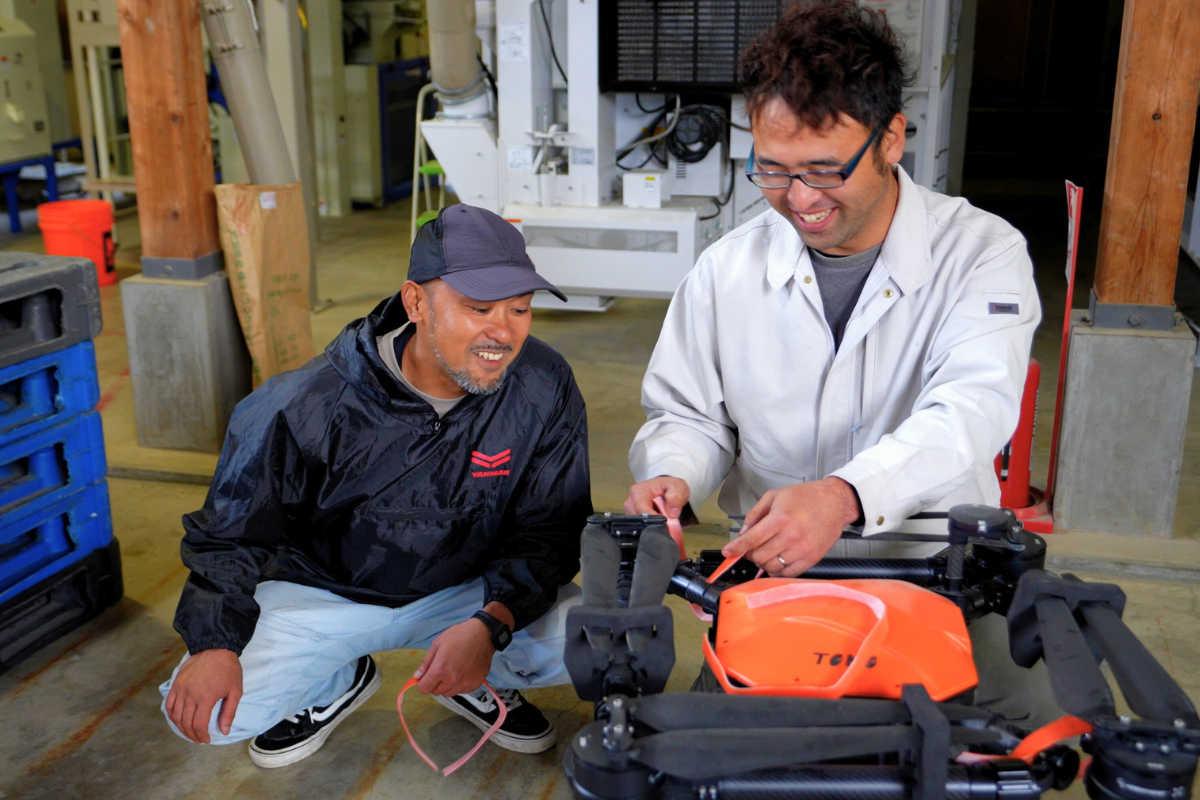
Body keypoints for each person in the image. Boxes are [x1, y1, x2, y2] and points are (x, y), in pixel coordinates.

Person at [624, 0, 1050, 726]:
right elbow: (691, 414)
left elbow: (970, 410)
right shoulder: (728, 269)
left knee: (1024, 739)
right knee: (712, 750)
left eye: (825, 170)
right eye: (773, 171)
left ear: (891, 139)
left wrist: (846, 495)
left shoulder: (982, 253)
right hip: (774, 573)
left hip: (939, 569)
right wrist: (673, 473)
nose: (800, 200)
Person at [160, 204, 592, 768]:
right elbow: (230, 536)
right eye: (479, 308)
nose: (502, 333)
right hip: (325, 595)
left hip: (465, 594)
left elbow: (553, 527)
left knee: (598, 641)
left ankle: (466, 674)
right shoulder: (302, 404)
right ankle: (333, 681)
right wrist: (215, 644)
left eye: (520, 309)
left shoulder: (542, 384)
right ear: (415, 303)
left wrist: (493, 623)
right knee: (207, 715)